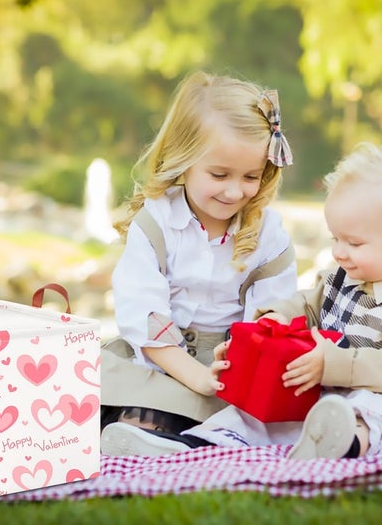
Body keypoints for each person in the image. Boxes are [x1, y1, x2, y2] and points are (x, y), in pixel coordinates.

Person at [100, 142, 382, 460]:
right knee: (256, 415)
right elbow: (307, 304)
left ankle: (347, 442)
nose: (339, 252)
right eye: (336, 239)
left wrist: (335, 365)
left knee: (379, 415)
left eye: (354, 243)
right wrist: (276, 317)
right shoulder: (343, 277)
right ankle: (197, 442)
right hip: (331, 392)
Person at [100, 71, 299, 437]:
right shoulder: (157, 223)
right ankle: (154, 432)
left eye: (250, 177)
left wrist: (230, 371)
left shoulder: (268, 235)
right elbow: (142, 313)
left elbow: (273, 314)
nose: (235, 192)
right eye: (219, 175)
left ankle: (190, 436)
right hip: (162, 360)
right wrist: (196, 377)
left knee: (253, 418)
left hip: (233, 368)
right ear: (184, 160)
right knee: (123, 395)